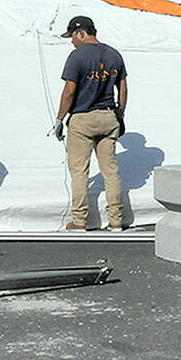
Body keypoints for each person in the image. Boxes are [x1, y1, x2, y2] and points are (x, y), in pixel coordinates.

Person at [51, 15, 129, 231]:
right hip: (108, 117)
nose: (72, 42)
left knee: (79, 172)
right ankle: (115, 221)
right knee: (111, 172)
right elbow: (122, 88)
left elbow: (69, 91)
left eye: (72, 37)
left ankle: (79, 221)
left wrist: (59, 118)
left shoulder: (77, 56)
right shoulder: (114, 54)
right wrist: (120, 114)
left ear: (81, 33)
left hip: (83, 119)